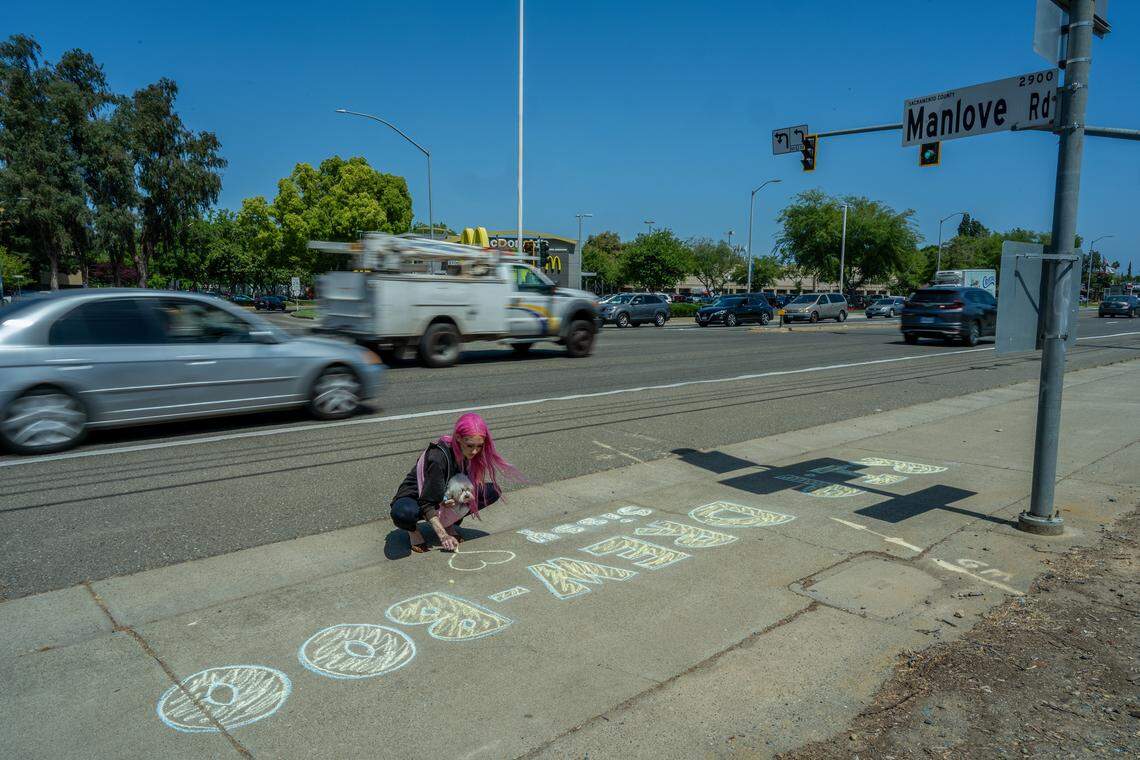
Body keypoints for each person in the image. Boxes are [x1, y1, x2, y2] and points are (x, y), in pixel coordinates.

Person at [390, 413, 520, 553]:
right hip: (417, 497)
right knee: (404, 513)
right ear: (458, 438)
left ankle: (448, 523)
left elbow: (461, 486)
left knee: (492, 491)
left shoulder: (470, 455)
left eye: (479, 446)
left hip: (444, 495)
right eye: (470, 445)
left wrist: (450, 499)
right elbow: (426, 501)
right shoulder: (438, 457)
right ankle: (414, 532)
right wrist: (443, 536)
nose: (475, 451)